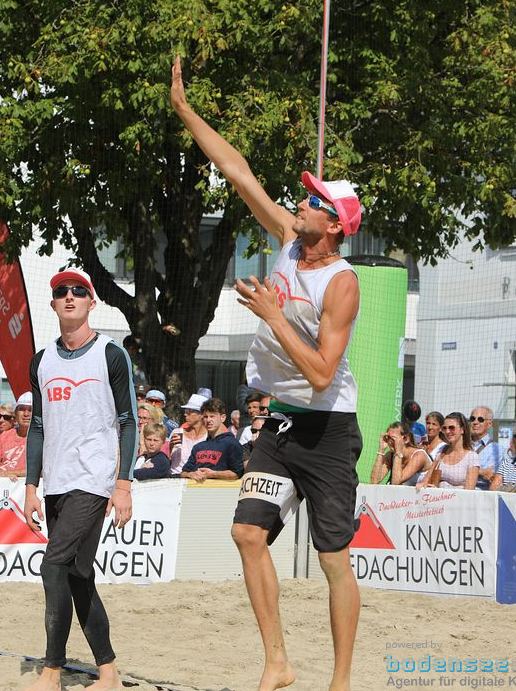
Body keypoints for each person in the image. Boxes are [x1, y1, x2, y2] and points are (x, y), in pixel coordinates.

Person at [173, 53, 364, 691]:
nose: (301, 203)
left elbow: (319, 372)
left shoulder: (342, 283)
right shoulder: (286, 237)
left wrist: (276, 316)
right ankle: (277, 662)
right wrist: (186, 110)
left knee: (335, 560)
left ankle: (338, 681)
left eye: (314, 202)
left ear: (334, 226)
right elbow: (237, 170)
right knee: (246, 533)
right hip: (280, 428)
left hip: (329, 430)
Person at [22, 268, 136, 691]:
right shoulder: (41, 361)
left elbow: (128, 422)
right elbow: (37, 426)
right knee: (77, 574)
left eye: (78, 291)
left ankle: (52, 671)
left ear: (92, 301)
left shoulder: (110, 354)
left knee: (53, 565)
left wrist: (123, 485)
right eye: (60, 292)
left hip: (95, 478)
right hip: (56, 482)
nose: (69, 296)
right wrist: (31, 487)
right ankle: (108, 673)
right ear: (53, 304)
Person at [180, 397, 245, 483]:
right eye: (205, 417)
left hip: (220, 493)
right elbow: (183, 472)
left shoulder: (232, 443)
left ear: (223, 417)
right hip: (196, 493)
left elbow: (237, 473)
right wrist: (190, 474)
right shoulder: (198, 447)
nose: (208, 420)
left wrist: (213, 474)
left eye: (212, 416)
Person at [418, 412, 478, 490]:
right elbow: (425, 481)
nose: (447, 431)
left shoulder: (472, 457)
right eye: (444, 428)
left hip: (458, 500)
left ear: (462, 430)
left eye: (451, 427)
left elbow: (469, 492)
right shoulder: (442, 450)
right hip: (437, 499)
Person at [0, 392, 31, 479]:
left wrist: (9, 473)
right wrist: (6, 475)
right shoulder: (4, 436)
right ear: (15, 414)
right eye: (22, 409)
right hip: (1, 485)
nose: (26, 413)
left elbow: (40, 470)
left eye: (30, 409)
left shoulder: (43, 438)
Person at [168, 393, 209, 475]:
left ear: (201, 415)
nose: (185, 414)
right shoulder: (177, 432)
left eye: (189, 412)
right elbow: (168, 458)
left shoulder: (208, 437)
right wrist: (170, 446)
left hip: (197, 478)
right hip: (175, 477)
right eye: (185, 411)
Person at [471, 406, 503, 491]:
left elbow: (491, 476)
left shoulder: (497, 449)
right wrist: (481, 472)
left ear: (489, 424)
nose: (475, 422)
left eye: (480, 419)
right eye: (472, 418)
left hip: (481, 495)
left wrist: (462, 471)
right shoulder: (462, 445)